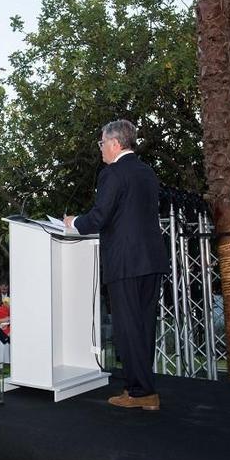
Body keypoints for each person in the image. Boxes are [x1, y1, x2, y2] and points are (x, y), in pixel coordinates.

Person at [64, 119, 168, 411]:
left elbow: (99, 217)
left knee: (127, 328)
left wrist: (74, 223)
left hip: (125, 261)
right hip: (152, 260)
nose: (100, 150)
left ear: (115, 143)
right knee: (144, 326)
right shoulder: (147, 173)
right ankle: (145, 389)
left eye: (101, 143)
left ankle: (139, 392)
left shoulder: (112, 173)